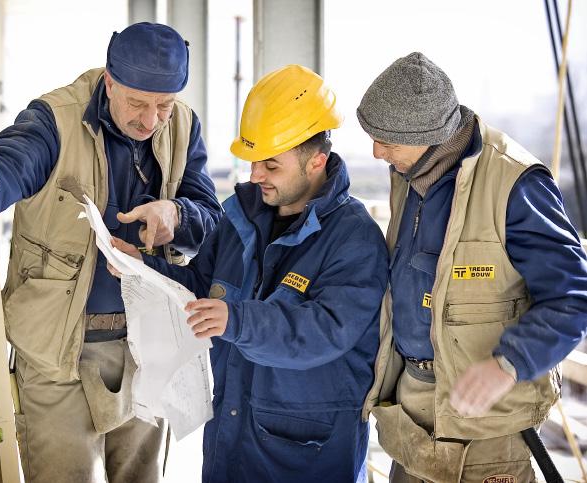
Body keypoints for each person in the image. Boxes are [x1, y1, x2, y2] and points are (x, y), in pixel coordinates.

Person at [111, 64, 388, 482]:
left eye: (271, 166)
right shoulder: (240, 216)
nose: (255, 175)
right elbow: (200, 289)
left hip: (305, 456)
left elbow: (324, 331)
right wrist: (141, 267)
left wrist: (235, 319)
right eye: (254, 161)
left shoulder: (354, 238)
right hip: (231, 439)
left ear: (317, 161)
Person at [0, 22, 221, 483]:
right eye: (137, 103)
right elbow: (9, 164)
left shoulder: (183, 124)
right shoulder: (53, 118)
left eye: (163, 106)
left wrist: (177, 216)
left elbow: (209, 216)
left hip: (148, 349)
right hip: (56, 352)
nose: (151, 121)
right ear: (109, 81)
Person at [356, 52, 587, 482]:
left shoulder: (515, 184)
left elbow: (573, 296)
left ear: (428, 134)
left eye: (387, 140)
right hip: (411, 419)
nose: (375, 151)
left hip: (486, 431)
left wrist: (508, 364)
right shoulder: (409, 176)